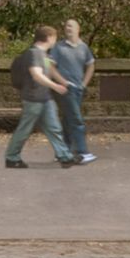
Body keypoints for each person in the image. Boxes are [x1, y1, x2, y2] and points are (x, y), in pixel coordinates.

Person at [5, 25, 75, 169]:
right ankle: (12, 157)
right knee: (25, 129)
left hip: (45, 97)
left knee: (54, 127)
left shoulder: (45, 55)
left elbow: (51, 70)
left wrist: (64, 82)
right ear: (48, 38)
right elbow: (36, 75)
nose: (55, 40)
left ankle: (65, 156)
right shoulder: (34, 53)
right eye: (54, 37)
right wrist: (55, 86)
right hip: (33, 98)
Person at [49, 19, 97, 164]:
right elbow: (49, 66)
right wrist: (62, 82)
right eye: (66, 26)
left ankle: (63, 152)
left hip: (78, 90)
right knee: (77, 120)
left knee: (68, 120)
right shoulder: (58, 47)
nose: (67, 28)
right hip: (65, 89)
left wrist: (84, 84)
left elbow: (91, 65)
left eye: (70, 26)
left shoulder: (84, 48)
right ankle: (83, 152)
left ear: (78, 29)